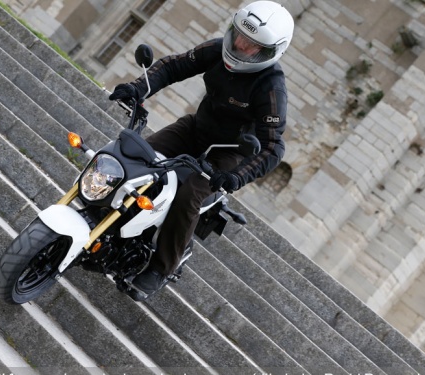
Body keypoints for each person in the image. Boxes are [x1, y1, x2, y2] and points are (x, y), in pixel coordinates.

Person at [109, 0, 294, 296]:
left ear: (271, 52)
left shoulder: (271, 87)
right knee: (133, 156)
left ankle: (161, 267)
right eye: (239, 36)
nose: (241, 45)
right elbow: (175, 66)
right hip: (195, 128)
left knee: (190, 193)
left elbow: (272, 146)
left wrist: (237, 177)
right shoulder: (218, 49)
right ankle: (109, 219)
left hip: (229, 151)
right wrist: (137, 88)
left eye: (251, 46)